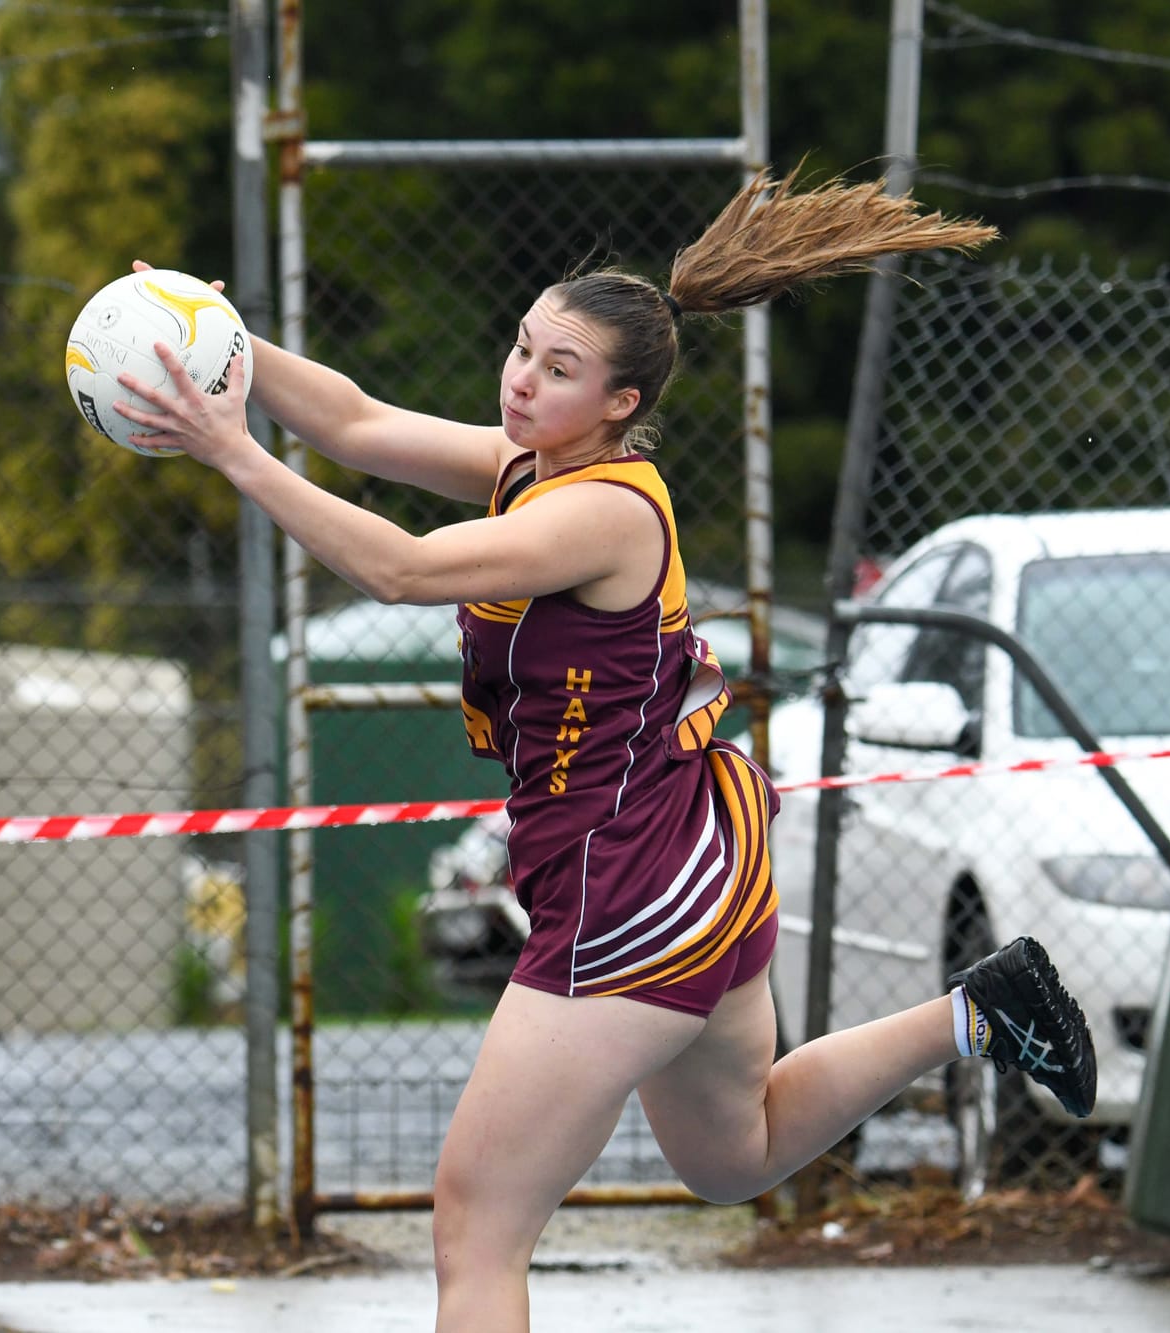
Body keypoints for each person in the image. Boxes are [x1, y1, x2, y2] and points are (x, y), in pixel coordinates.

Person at [119, 169, 1097, 1333]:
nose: (523, 379)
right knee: (735, 1154)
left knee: (476, 1229)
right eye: (524, 349)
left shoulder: (604, 512)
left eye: (558, 370)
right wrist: (219, 342)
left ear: (619, 401)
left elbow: (403, 570)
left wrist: (231, 451)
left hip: (629, 888)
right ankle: (977, 1012)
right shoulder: (529, 464)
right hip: (685, 851)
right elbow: (356, 423)